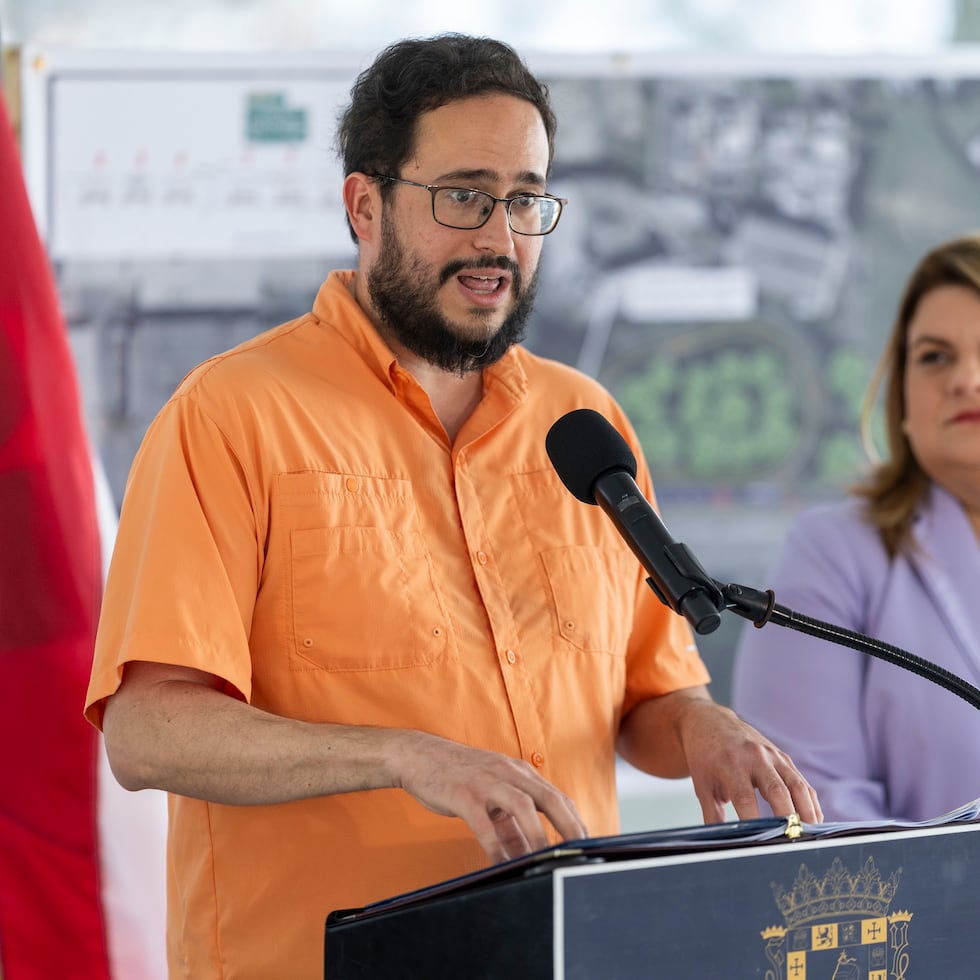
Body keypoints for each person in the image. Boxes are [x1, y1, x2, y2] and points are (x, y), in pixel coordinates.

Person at [85, 33, 820, 979]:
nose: (499, 237)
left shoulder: (584, 424)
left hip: (561, 954)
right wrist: (405, 757)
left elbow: (649, 694)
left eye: (524, 200)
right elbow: (149, 732)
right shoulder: (231, 416)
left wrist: (700, 727)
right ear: (365, 205)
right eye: (464, 195)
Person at [732, 233, 980, 824]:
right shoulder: (830, 554)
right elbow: (813, 817)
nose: (967, 380)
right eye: (935, 357)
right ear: (902, 404)